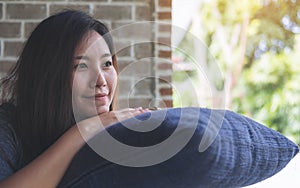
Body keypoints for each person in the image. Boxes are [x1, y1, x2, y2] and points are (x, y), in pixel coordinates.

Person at [0, 10, 149, 187]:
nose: (101, 80)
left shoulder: (118, 137)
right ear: (48, 75)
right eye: (81, 66)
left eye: (107, 64)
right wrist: (82, 132)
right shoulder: (8, 127)